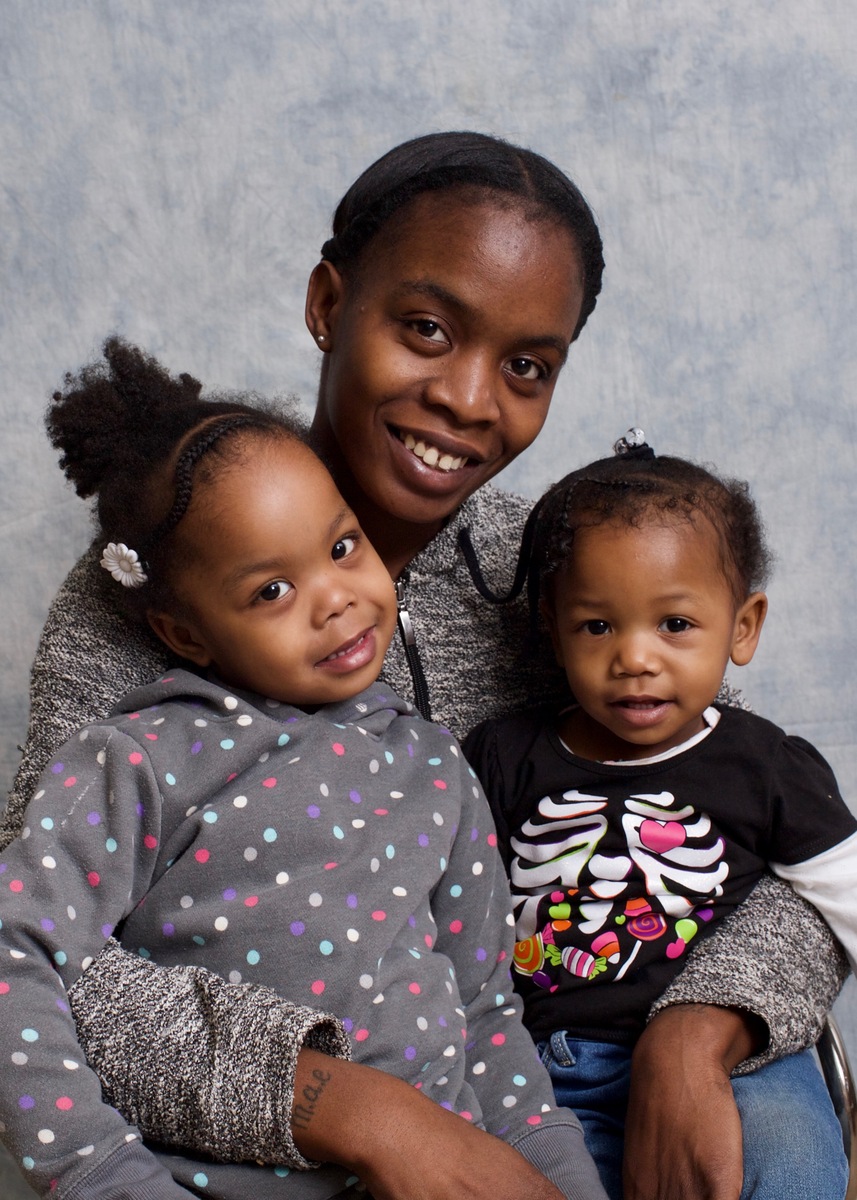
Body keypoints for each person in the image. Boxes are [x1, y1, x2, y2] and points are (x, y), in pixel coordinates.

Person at [3, 133, 847, 1200]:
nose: (467, 398)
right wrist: (350, 1107)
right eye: (425, 328)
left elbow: (763, 819)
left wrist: (694, 1027)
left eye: (526, 366)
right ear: (327, 301)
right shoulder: (150, 590)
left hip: (587, 1061)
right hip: (325, 1127)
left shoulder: (552, 560)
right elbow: (41, 958)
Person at [0, 340, 611, 1200]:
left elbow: (484, 1014)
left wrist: (561, 1179)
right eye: (270, 591)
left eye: (341, 545)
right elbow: (18, 951)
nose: (335, 597)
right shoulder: (135, 761)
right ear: (183, 633)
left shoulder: (434, 765)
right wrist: (100, 1173)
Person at [463, 432, 855, 1200]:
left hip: (745, 1064)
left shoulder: (765, 763)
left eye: (673, 624)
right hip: (554, 1061)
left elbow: (848, 893)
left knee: (794, 1171)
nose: (634, 658)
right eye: (597, 626)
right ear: (552, 626)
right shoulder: (499, 758)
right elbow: (442, 910)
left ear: (742, 627)